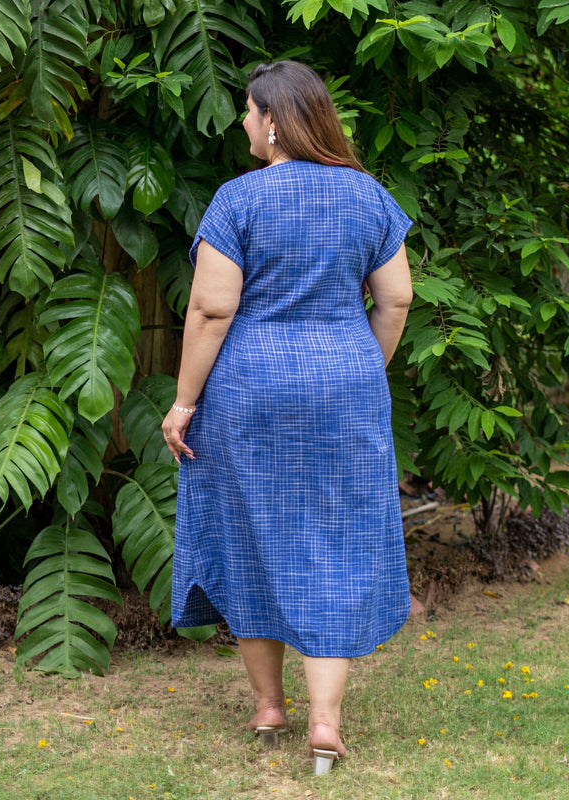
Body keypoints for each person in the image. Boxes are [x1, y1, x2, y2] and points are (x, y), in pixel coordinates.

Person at [161, 60, 413, 775]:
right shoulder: (367, 196)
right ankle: (325, 724)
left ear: (273, 121)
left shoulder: (238, 201)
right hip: (345, 381)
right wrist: (361, 368)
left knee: (250, 531)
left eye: (247, 110)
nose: (242, 122)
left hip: (249, 389)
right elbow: (396, 299)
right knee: (334, 535)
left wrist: (183, 403)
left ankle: (271, 706)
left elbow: (212, 308)